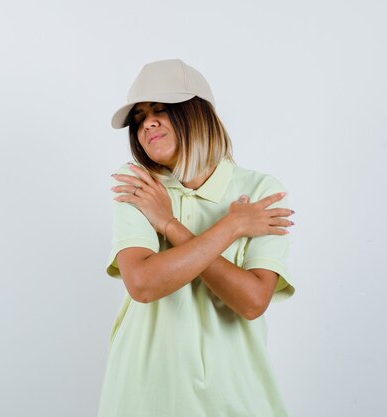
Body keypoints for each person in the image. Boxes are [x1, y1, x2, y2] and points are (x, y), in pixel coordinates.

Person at [98, 59, 295, 417]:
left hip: (235, 397)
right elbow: (142, 283)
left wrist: (170, 226)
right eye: (139, 117)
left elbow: (252, 301)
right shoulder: (139, 187)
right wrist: (231, 226)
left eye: (160, 109)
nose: (148, 123)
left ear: (198, 114)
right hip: (142, 398)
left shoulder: (259, 191)